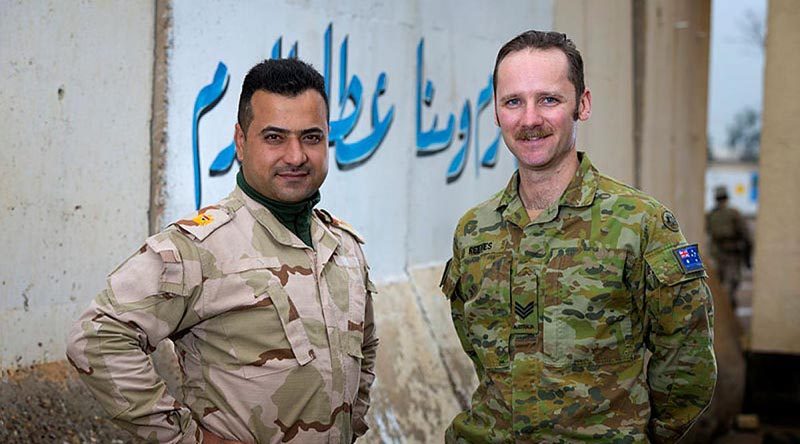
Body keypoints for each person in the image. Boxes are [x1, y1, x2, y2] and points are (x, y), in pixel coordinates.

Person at [66, 58, 378, 444]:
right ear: (241, 142)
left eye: (311, 137)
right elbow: (98, 336)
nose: (296, 156)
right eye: (274, 137)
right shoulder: (198, 248)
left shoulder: (344, 247)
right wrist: (186, 437)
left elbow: (365, 349)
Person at [440, 30, 716, 443]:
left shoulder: (642, 224)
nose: (530, 119)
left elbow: (686, 364)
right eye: (513, 101)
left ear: (581, 105)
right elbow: (480, 354)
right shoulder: (474, 231)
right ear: (496, 112)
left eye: (549, 99)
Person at [706, 185, 752, 308]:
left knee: (721, 279)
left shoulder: (711, 215)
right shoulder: (733, 213)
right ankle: (728, 302)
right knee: (733, 280)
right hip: (731, 252)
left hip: (719, 252)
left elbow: (708, 231)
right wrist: (747, 254)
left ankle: (722, 302)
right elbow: (746, 234)